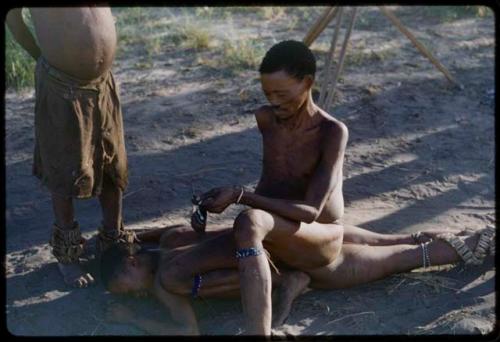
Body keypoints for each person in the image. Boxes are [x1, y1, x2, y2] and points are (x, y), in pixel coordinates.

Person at [191, 40, 495, 335]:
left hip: (321, 243)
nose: (273, 101)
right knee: (403, 241)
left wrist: (242, 196)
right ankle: (295, 279)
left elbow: (311, 212)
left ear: (307, 83)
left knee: (405, 256)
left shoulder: (332, 131)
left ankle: (481, 242)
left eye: (282, 93)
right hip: (289, 232)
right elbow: (277, 181)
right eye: (267, 93)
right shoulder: (266, 119)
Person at [6, 7, 137, 288]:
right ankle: (68, 255)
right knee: (65, 170)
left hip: (103, 83)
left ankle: (111, 241)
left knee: (113, 165)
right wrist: (43, 57)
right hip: (61, 83)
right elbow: (13, 19)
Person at [101, 224, 310, 335]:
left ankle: (285, 282)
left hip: (268, 264)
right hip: (277, 241)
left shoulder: (162, 284)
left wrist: (132, 319)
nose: (137, 296)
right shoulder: (170, 238)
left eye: (129, 291)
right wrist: (138, 237)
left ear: (132, 263)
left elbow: (188, 332)